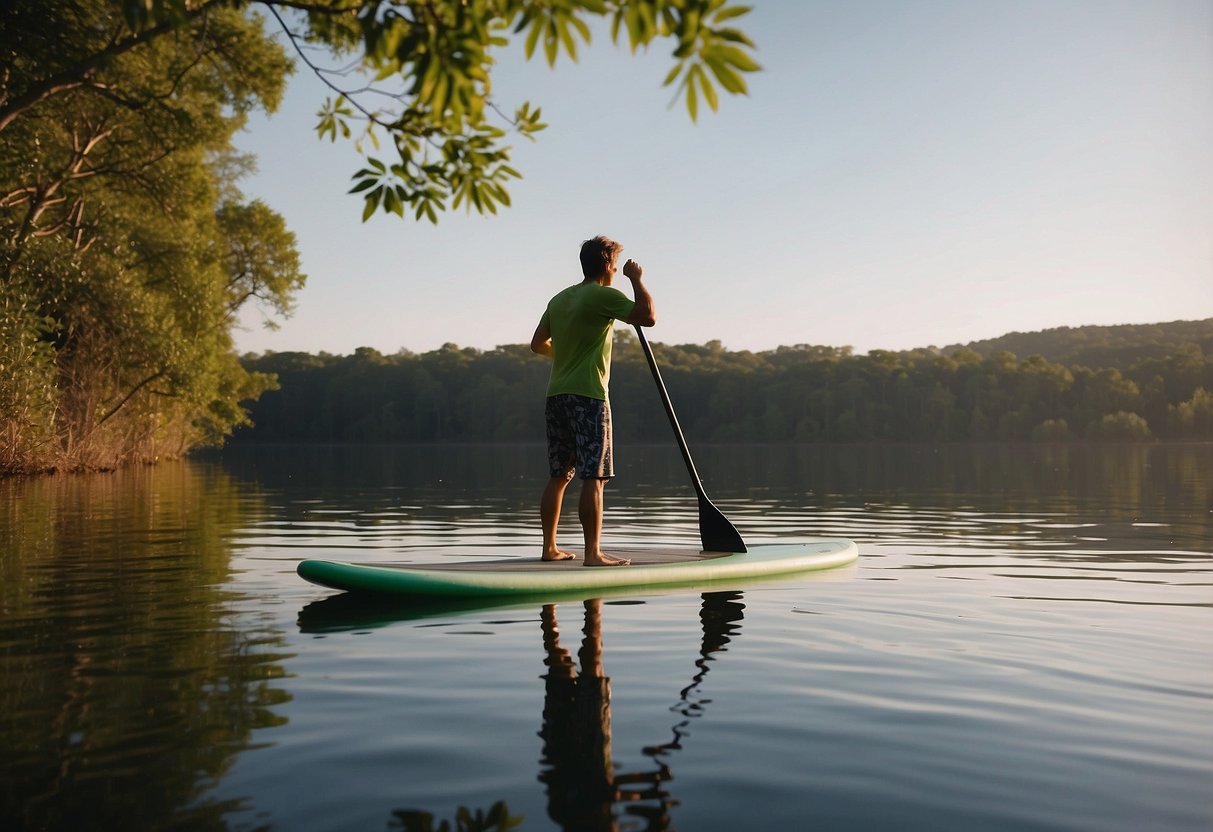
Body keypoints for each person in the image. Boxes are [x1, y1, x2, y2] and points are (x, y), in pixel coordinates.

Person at [530, 235, 656, 567]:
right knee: (594, 476)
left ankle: (549, 548)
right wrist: (637, 280)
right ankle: (593, 554)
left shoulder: (559, 299)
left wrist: (566, 354)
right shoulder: (603, 295)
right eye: (616, 265)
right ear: (608, 265)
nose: (617, 270)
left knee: (559, 475)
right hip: (588, 395)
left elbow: (537, 343)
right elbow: (647, 317)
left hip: (555, 394)